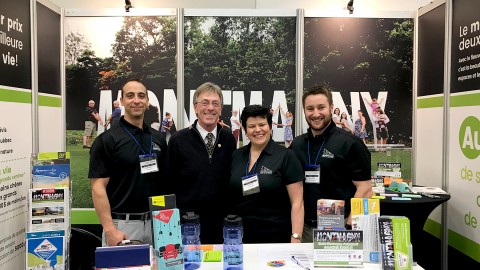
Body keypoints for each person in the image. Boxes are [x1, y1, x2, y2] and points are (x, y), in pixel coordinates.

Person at [88, 79, 167, 246]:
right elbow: (98, 187)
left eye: (141, 96)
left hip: (158, 223)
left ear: (147, 102)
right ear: (122, 101)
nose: (136, 100)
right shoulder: (107, 140)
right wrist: (110, 229)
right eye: (130, 96)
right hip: (123, 227)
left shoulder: (158, 138)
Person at [289, 85, 372, 242]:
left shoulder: (350, 143)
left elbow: (365, 190)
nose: (315, 114)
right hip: (304, 229)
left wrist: (347, 229)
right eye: (310, 109)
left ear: (331, 107)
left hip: (338, 229)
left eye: (321, 107)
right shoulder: (297, 144)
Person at [165, 82, 236, 244]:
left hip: (221, 224)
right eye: (205, 103)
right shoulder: (178, 140)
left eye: (215, 104)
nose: (210, 108)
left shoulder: (229, 139)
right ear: (195, 107)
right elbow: (168, 184)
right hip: (188, 225)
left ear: (220, 109)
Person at [228, 105, 304, 244]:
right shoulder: (236, 155)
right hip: (239, 237)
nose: (257, 130)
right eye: (251, 126)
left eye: (262, 124)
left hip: (275, 236)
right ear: (245, 130)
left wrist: (296, 237)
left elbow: (297, 202)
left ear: (270, 126)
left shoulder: (286, 156)